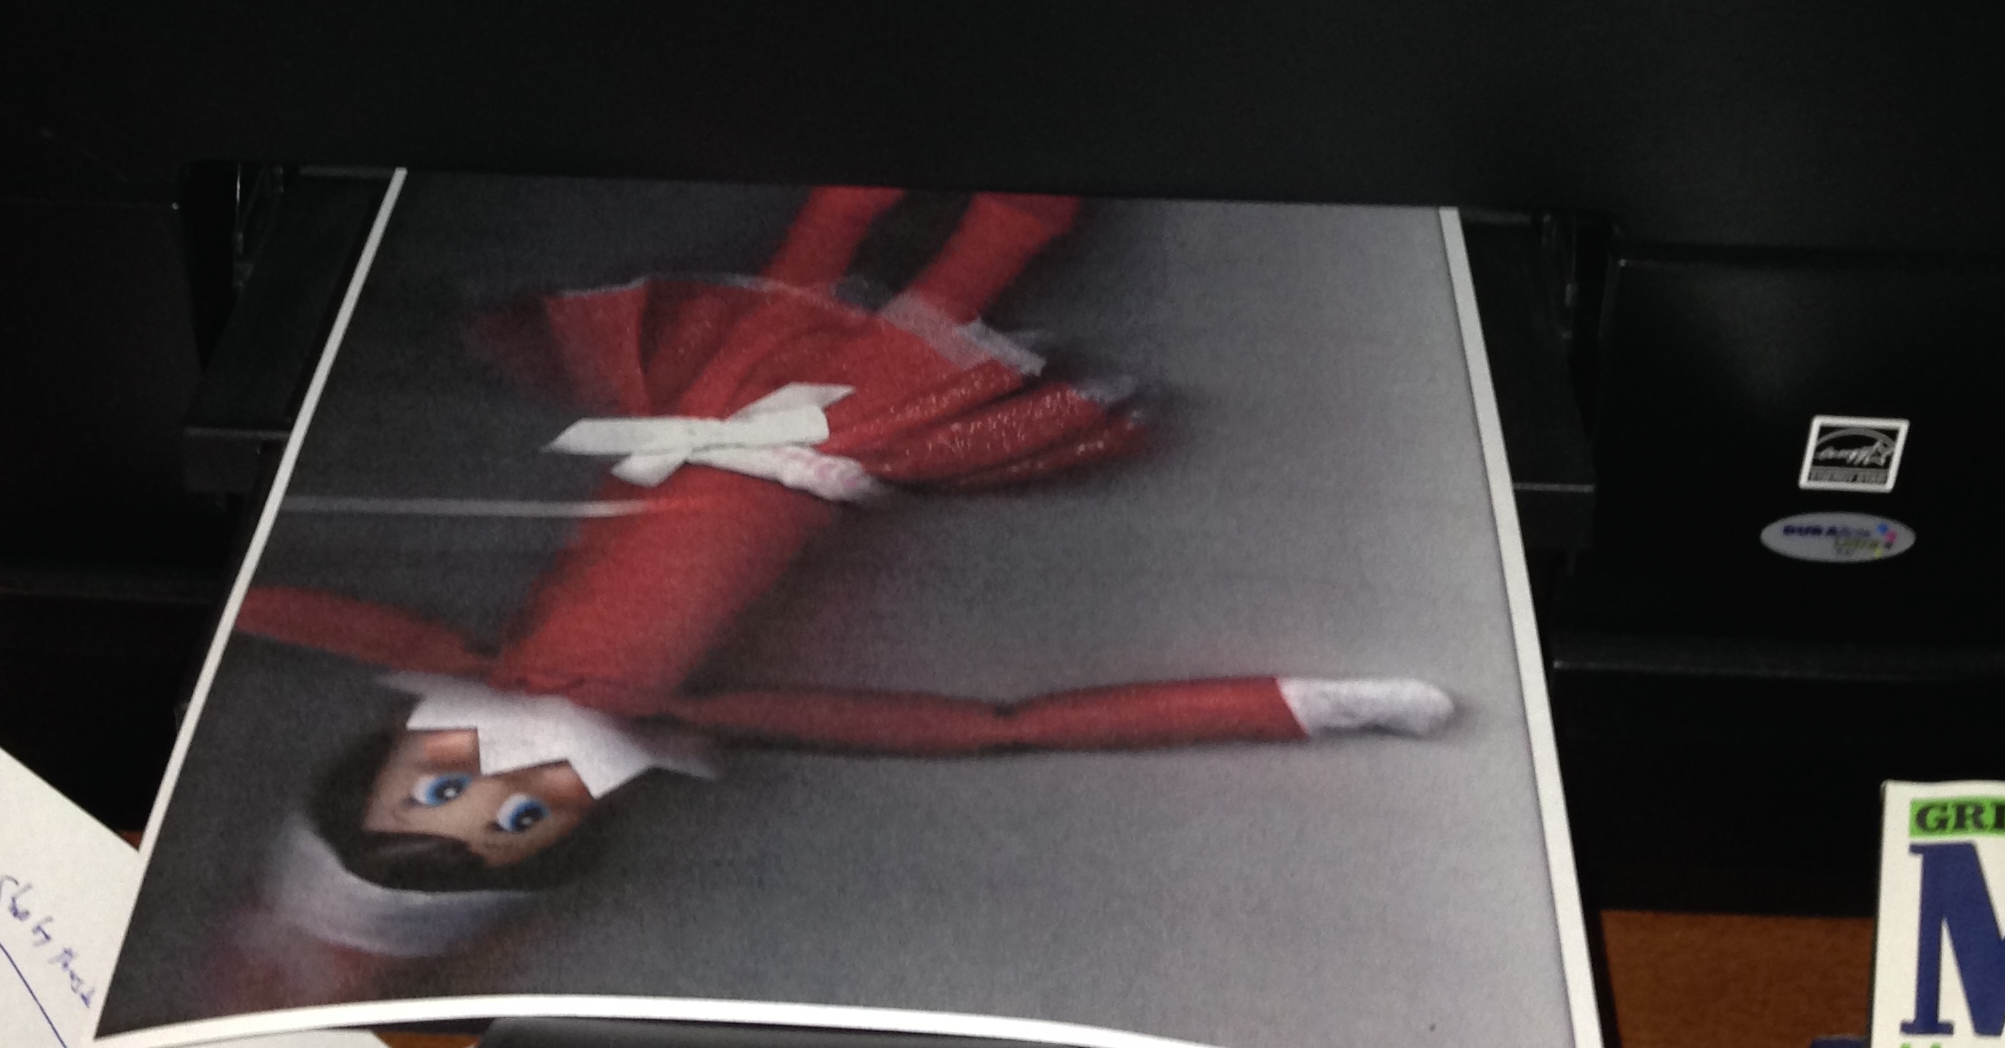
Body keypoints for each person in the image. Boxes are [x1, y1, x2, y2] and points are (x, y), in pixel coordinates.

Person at [234, 188, 1453, 929]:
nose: (504, 783)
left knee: (827, 232)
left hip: (707, 395)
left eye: (440, 793)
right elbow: (1005, 726)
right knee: (975, 260)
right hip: (844, 437)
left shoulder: (455, 659)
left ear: (385, 767)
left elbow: (281, 609)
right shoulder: (706, 715)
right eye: (515, 822)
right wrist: (1309, 704)